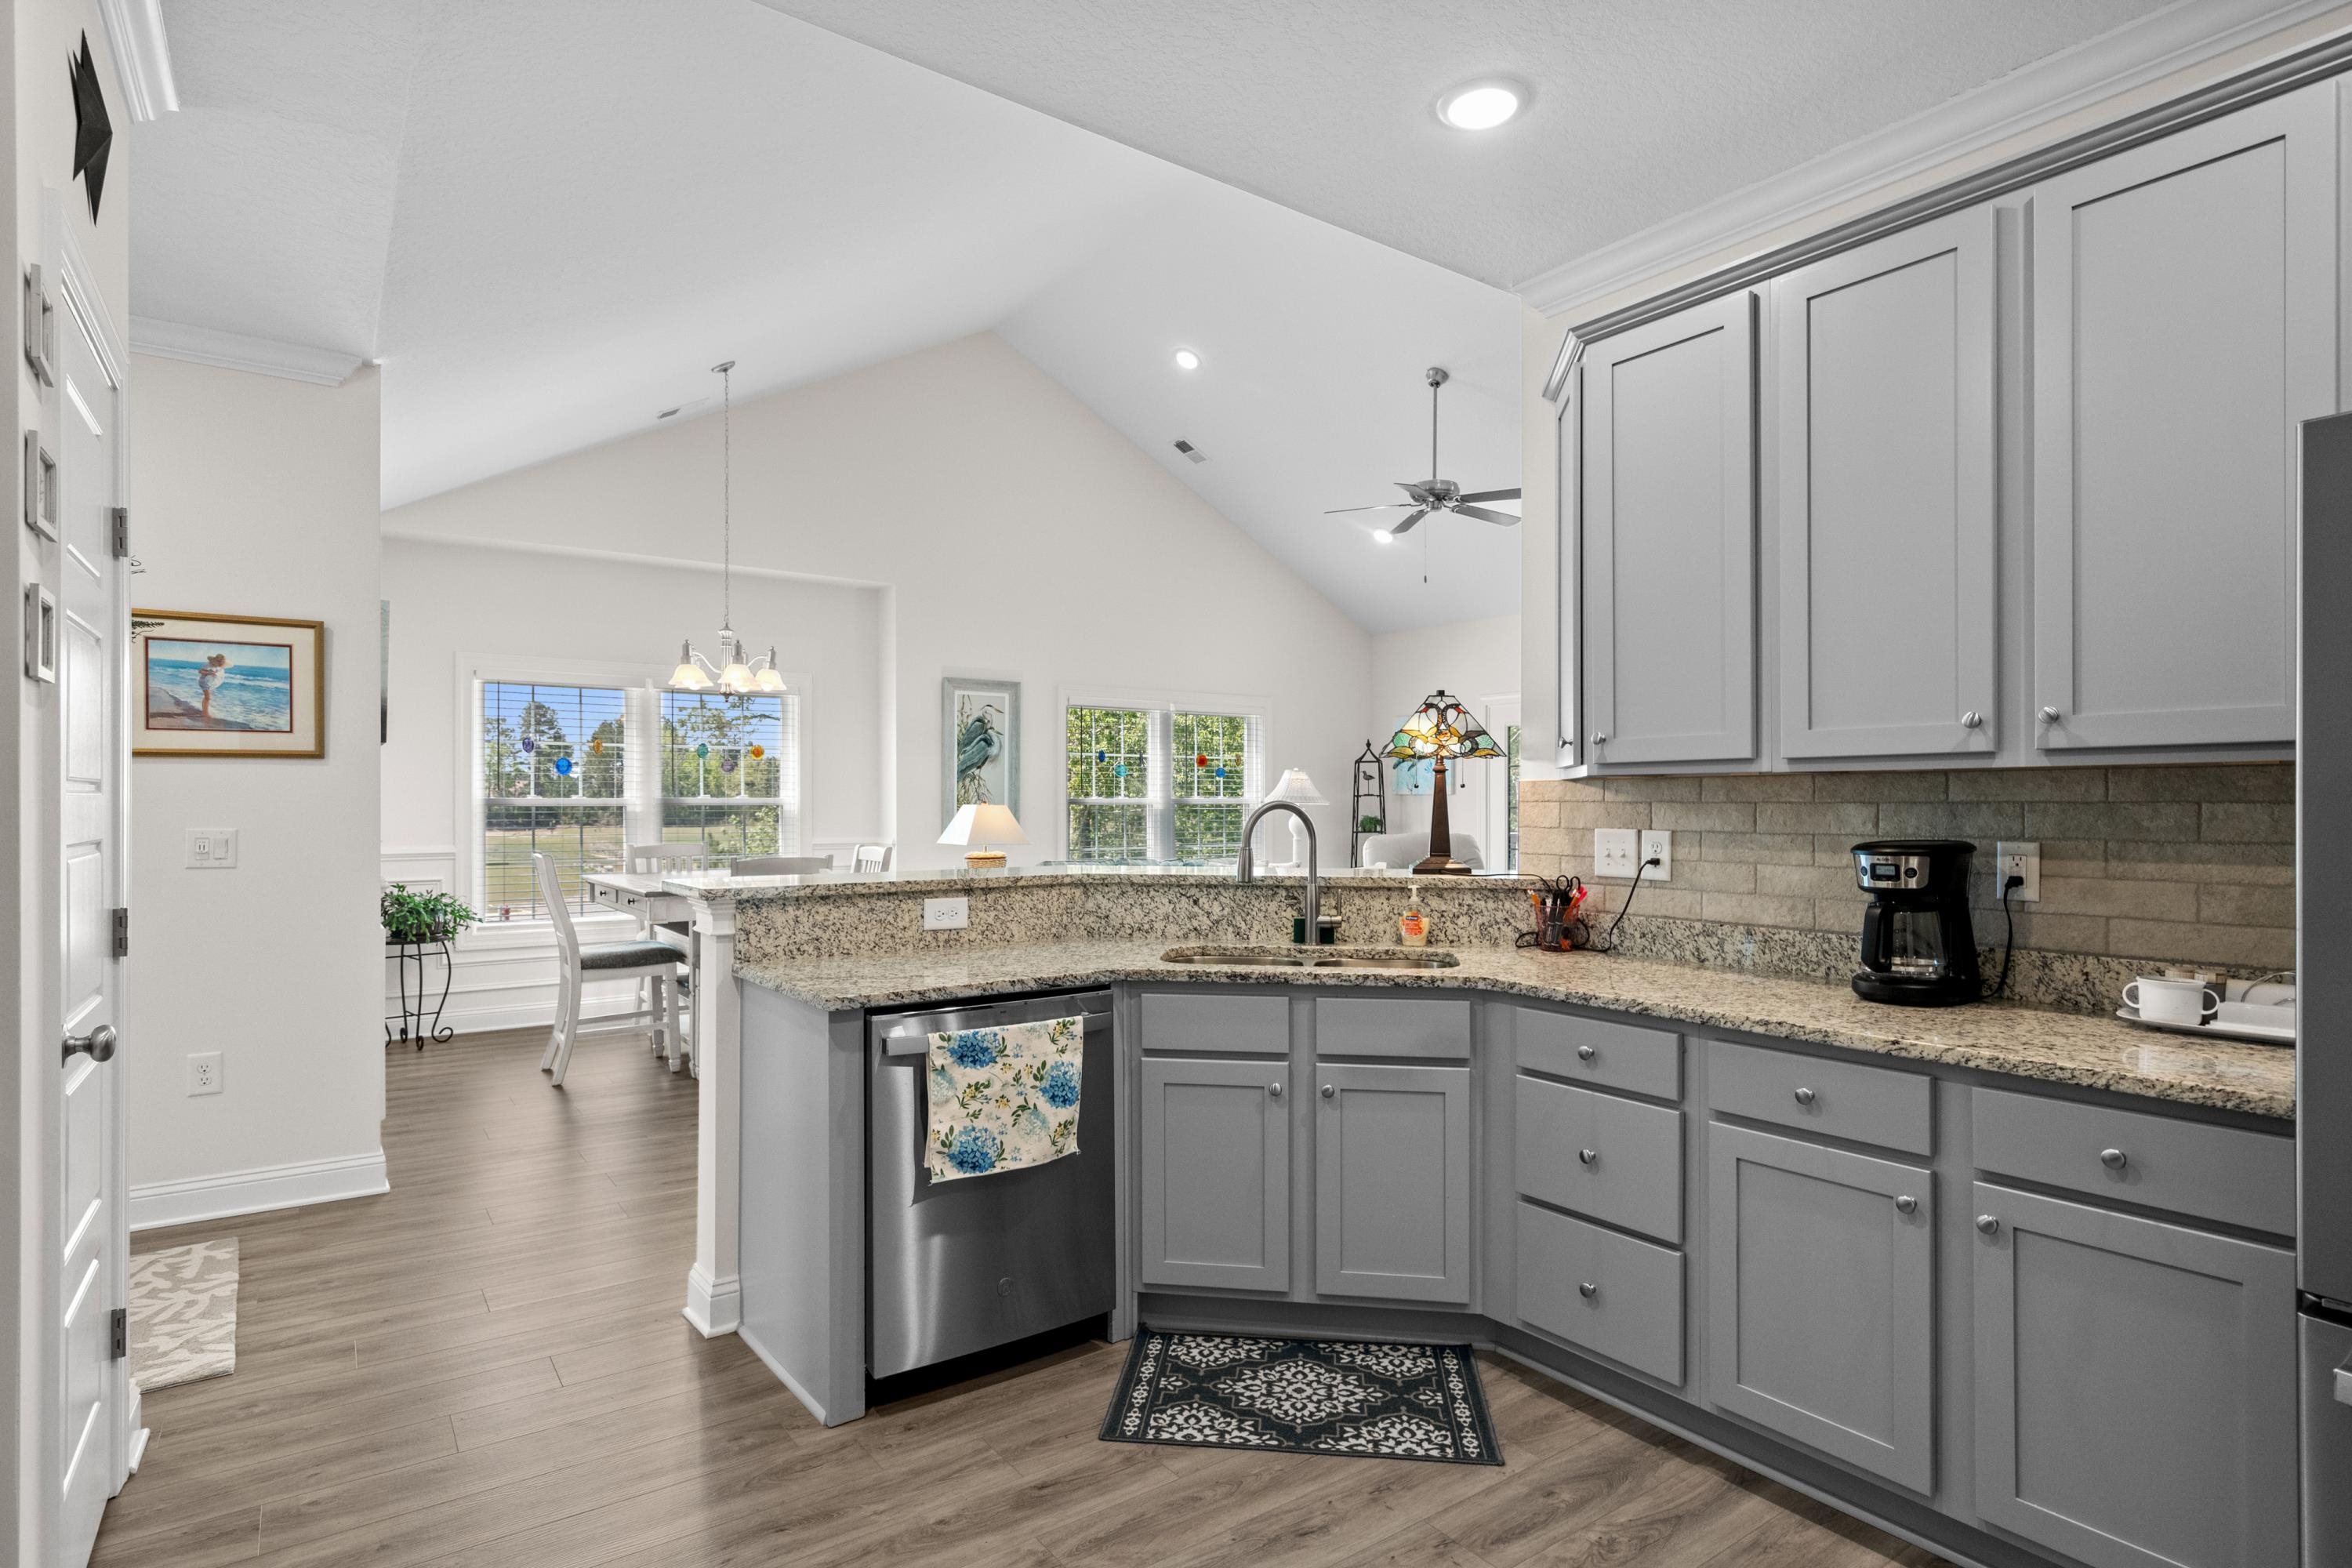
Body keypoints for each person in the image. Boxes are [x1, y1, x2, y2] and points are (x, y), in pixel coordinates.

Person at [197, 652, 230, 724]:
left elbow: (219, 674)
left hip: (210, 683)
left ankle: (204, 711)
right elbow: (200, 671)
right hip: (204, 682)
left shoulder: (220, 666)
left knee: (206, 698)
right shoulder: (208, 664)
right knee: (208, 698)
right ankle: (206, 713)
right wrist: (210, 673)